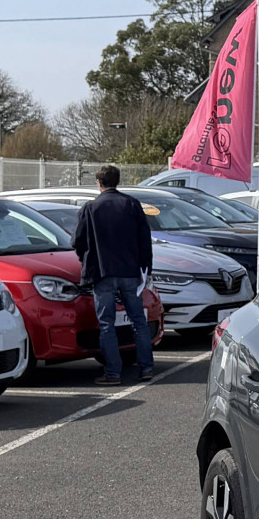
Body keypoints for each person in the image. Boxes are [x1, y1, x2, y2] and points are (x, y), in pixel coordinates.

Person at [72, 165, 157, 385]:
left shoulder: (90, 208)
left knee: (107, 323)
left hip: (102, 272)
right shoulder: (131, 204)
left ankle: (113, 373)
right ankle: (146, 367)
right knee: (138, 321)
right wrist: (145, 268)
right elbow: (144, 240)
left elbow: (77, 242)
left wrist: (86, 261)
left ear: (99, 183)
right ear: (117, 181)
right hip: (130, 272)